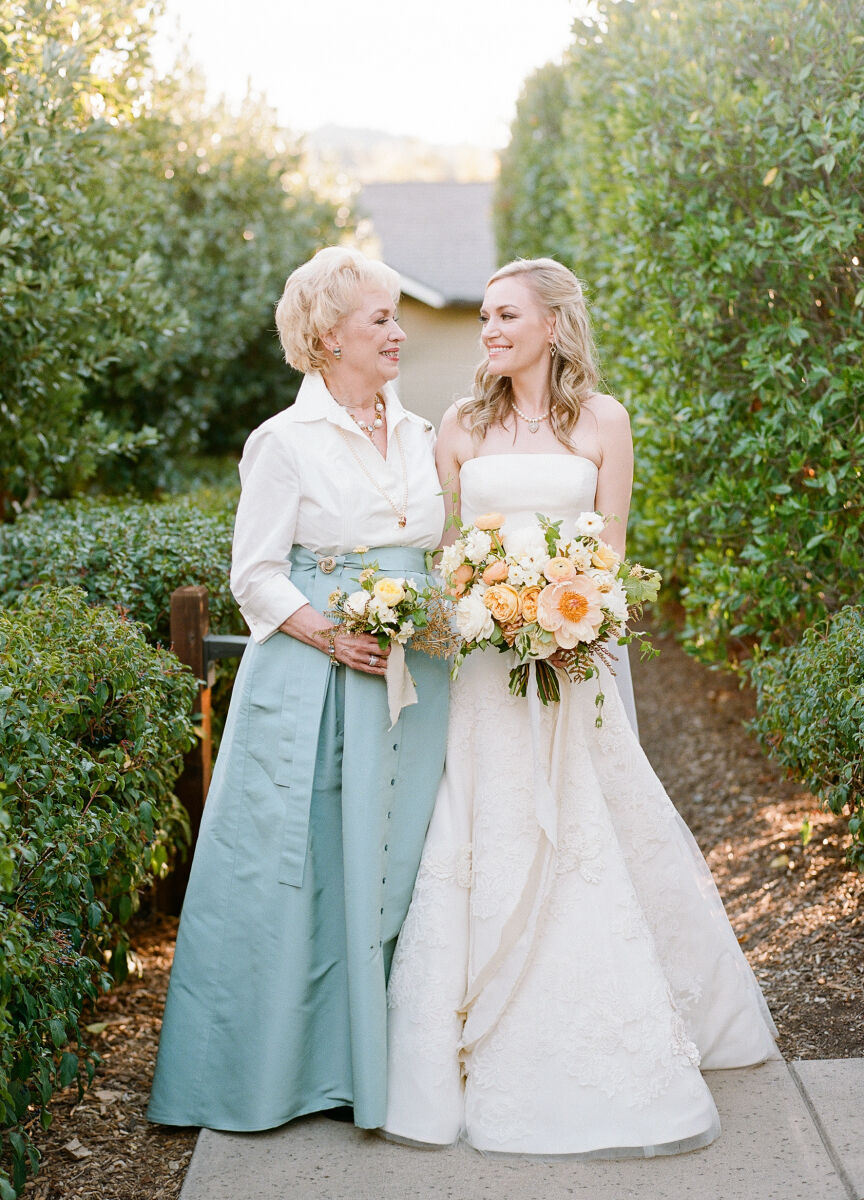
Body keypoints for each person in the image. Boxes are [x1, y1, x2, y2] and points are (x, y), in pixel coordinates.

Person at [382, 258, 778, 1157]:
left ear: (553, 326)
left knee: (592, 826)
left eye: (505, 315)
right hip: (486, 673)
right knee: (492, 825)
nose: (489, 330)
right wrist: (479, 603)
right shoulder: (460, 426)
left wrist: (571, 615)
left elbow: (611, 550)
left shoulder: (605, 422)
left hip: (573, 663)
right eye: (484, 316)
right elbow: (445, 553)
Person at [148, 247, 450, 1133]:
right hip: (322, 684)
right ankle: (297, 1073)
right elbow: (256, 575)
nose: (398, 332)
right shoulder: (283, 442)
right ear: (327, 337)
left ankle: (404, 1064)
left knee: (406, 855)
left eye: (396, 316)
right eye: (381, 319)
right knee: (309, 867)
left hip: (417, 677)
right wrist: (333, 636)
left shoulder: (425, 432)